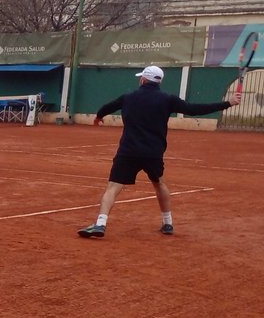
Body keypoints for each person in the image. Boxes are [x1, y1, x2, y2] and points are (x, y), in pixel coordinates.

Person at [77, 65, 239, 238]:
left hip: (128, 151)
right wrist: (227, 103)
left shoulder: (128, 97)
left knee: (113, 187)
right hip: (153, 153)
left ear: (144, 79)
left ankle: (100, 224)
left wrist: (99, 116)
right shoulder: (167, 99)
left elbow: (106, 108)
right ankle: (167, 223)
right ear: (158, 81)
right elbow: (194, 109)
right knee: (159, 183)